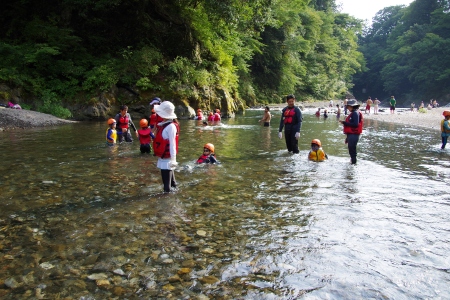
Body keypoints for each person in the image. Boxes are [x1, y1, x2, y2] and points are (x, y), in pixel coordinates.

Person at [153, 101, 179, 193]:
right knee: (172, 183)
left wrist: (173, 160)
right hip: (163, 157)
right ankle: (175, 190)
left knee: (166, 188)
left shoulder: (171, 127)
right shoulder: (163, 125)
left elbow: (172, 144)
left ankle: (167, 203)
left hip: (167, 159)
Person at [339, 99, 363, 164]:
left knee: (352, 151)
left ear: (352, 106)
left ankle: (353, 164)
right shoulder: (354, 113)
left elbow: (355, 124)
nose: (348, 108)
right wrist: (347, 137)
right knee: (351, 150)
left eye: (348, 106)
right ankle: (352, 164)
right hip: (352, 135)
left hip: (354, 135)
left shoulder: (355, 113)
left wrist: (345, 123)